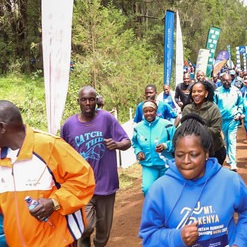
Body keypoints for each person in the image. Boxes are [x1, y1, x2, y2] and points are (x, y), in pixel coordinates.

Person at [138, 114, 247, 247]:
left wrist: (241, 242)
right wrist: (177, 238)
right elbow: (149, 237)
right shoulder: (159, 190)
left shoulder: (229, 181)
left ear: (206, 153)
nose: (186, 161)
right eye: (180, 155)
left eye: (194, 154)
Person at [0, 100, 95, 246]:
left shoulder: (49, 146)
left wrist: (54, 202)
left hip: (56, 242)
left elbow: (84, 178)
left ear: (1, 128)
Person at [61, 86, 131, 247]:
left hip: (106, 184)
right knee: (85, 227)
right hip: (81, 186)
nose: (88, 103)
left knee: (103, 231)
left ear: (96, 101)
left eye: (91, 99)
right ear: (78, 102)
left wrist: (117, 144)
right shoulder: (69, 125)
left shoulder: (106, 118)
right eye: (84, 100)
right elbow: (62, 154)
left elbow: (127, 142)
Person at [132, 101, 176, 195]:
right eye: (146, 111)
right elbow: (135, 143)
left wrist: (166, 146)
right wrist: (138, 151)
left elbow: (177, 142)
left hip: (166, 165)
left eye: (151, 111)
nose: (148, 113)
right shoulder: (138, 128)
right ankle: (153, 209)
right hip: (149, 165)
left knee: (167, 190)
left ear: (156, 111)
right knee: (147, 189)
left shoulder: (167, 125)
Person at [182, 81, 227, 165]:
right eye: (194, 92)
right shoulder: (187, 109)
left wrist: (197, 129)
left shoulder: (213, 109)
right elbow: (184, 129)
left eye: (199, 91)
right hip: (194, 151)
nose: (196, 94)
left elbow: (216, 130)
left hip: (214, 151)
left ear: (206, 93)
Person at [214, 73, 243, 171]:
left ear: (232, 80)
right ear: (221, 81)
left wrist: (238, 113)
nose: (227, 82)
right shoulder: (217, 92)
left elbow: (240, 104)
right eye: (224, 81)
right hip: (221, 120)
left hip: (233, 119)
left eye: (229, 80)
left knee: (231, 140)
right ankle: (228, 157)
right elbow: (214, 104)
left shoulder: (237, 91)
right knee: (225, 141)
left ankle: (233, 163)